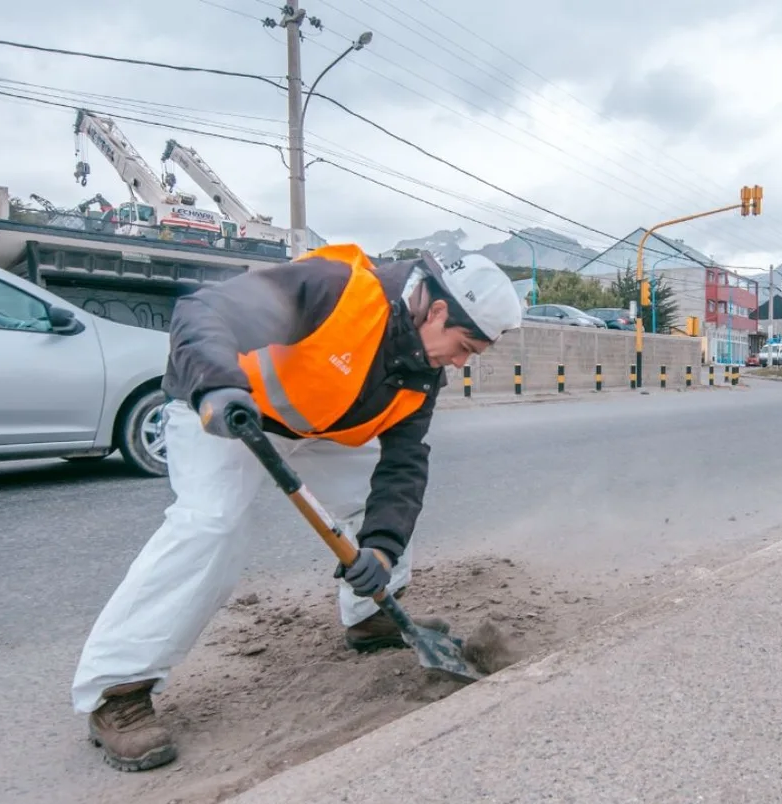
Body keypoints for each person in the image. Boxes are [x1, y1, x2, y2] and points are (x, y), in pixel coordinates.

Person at [71, 244, 522, 772]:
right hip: (227, 408)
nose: (462, 361)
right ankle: (118, 691)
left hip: (313, 426)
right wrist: (218, 386)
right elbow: (204, 309)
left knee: (370, 503)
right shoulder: (335, 290)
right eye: (464, 345)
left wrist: (380, 548)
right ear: (439, 310)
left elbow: (403, 466)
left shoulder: (422, 373)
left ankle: (372, 613)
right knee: (212, 524)